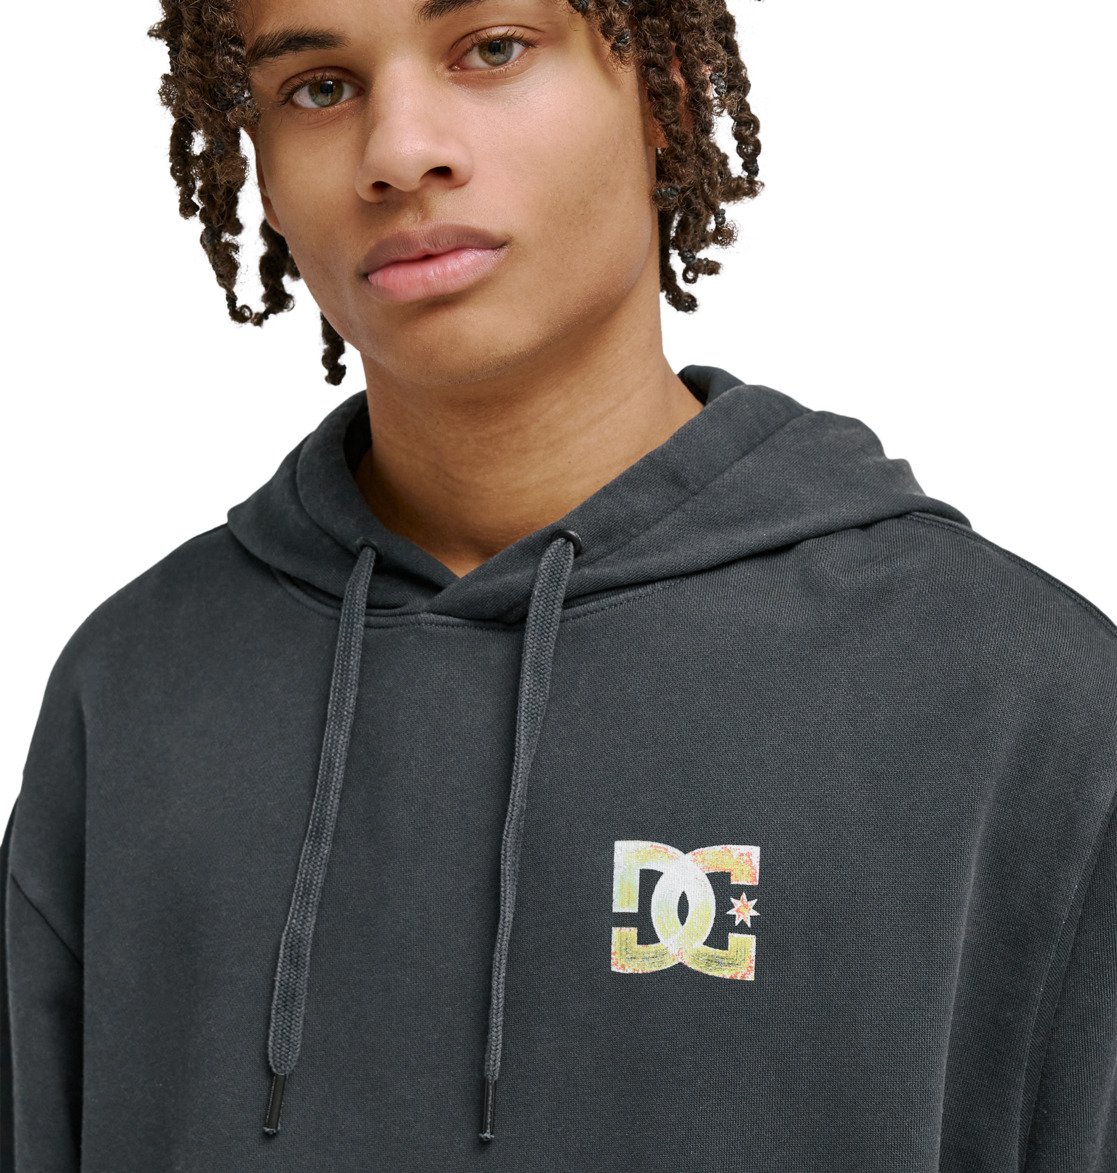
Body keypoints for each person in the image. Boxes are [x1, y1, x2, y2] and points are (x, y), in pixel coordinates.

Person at [2, 0, 1114, 1167]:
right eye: (318, 88)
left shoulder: (1012, 699)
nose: (399, 153)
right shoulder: (135, 690)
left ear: (666, 94)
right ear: (264, 173)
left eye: (492, 49)